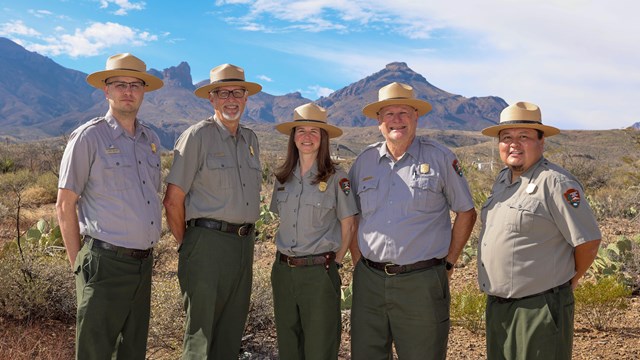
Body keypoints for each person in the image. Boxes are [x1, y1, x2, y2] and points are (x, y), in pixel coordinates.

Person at [348, 82, 477, 360]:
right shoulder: (364, 162)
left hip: (421, 283)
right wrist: (359, 262)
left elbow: (466, 211)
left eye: (404, 112)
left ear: (416, 116)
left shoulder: (440, 158)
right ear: (379, 121)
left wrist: (450, 262)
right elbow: (353, 215)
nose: (397, 120)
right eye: (389, 114)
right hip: (369, 282)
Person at [56, 53, 164, 359]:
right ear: (107, 90)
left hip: (143, 265)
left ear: (144, 91)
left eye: (135, 85)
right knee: (95, 351)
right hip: (104, 264)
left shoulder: (150, 140)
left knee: (132, 351)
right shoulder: (89, 137)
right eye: (120, 85)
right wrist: (80, 266)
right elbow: (64, 205)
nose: (128, 91)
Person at [477, 101, 601, 359]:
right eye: (506, 137)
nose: (514, 144)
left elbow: (588, 242)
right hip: (499, 308)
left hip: (539, 307)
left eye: (524, 137)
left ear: (541, 143)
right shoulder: (502, 181)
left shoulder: (555, 182)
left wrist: (571, 280)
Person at [163, 63, 262, 359]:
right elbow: (172, 199)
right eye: (223, 93)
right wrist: (189, 245)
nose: (231, 99)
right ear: (212, 99)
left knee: (231, 333)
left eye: (237, 92)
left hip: (243, 247)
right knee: (201, 335)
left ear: (246, 97)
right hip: (206, 245)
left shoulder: (251, 140)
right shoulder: (197, 137)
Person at [270, 103, 358, 359]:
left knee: (320, 348)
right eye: (301, 131)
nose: (307, 137)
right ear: (293, 137)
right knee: (288, 346)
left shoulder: (335, 177)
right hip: (283, 272)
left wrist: (336, 262)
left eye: (314, 131)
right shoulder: (283, 177)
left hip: (319, 273)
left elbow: (349, 224)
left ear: (323, 139)